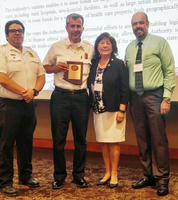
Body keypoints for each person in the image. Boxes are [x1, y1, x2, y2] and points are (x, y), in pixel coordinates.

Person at [125, 12, 176, 196]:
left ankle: (162, 178)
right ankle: (148, 175)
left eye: (141, 23)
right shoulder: (130, 47)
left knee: (158, 139)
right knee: (142, 138)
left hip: (155, 96)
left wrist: (166, 97)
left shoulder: (160, 42)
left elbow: (169, 71)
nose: (138, 26)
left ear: (147, 23)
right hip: (135, 98)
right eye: (134, 24)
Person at [43, 13, 93, 189]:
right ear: (66, 28)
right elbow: (45, 67)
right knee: (58, 139)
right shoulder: (56, 47)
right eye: (72, 26)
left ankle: (78, 175)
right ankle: (59, 175)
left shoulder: (90, 48)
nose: (75, 30)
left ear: (83, 29)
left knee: (81, 139)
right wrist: (56, 68)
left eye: (78, 26)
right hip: (60, 97)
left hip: (81, 98)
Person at [0, 20, 45, 197]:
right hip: (8, 105)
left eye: (20, 31)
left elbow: (41, 76)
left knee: (26, 142)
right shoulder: (2, 52)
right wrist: (24, 92)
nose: (17, 33)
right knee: (6, 144)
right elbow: (2, 78)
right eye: (13, 31)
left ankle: (25, 176)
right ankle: (5, 181)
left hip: (28, 104)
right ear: (6, 35)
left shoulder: (31, 53)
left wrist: (33, 92)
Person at [87, 32, 129, 188]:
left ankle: (115, 174)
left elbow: (125, 89)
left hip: (114, 110)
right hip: (98, 109)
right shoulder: (93, 64)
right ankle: (107, 172)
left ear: (112, 47)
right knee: (103, 142)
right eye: (102, 42)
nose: (105, 45)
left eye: (108, 43)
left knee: (113, 142)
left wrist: (122, 110)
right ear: (97, 46)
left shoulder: (119, 64)